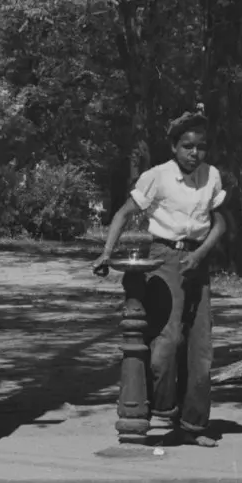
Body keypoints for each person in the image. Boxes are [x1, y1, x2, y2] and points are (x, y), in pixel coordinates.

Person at [93, 108, 227, 447]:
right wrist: (107, 253)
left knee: (200, 349)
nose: (194, 153)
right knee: (165, 345)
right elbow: (124, 213)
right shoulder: (158, 176)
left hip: (198, 260)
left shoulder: (212, 176)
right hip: (164, 258)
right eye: (187, 146)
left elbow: (220, 222)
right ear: (174, 147)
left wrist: (200, 254)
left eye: (201, 147)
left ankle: (193, 426)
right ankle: (161, 407)